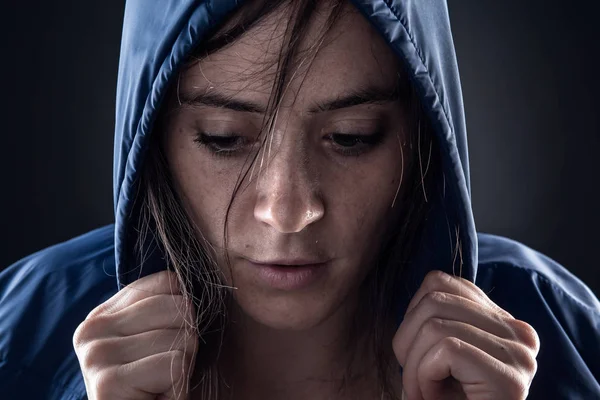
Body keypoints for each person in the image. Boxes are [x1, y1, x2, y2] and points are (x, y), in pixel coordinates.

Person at [0, 0, 598, 398]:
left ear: (422, 135)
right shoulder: (22, 332)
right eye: (223, 139)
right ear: (152, 139)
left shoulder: (555, 329)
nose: (287, 211)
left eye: (351, 137)